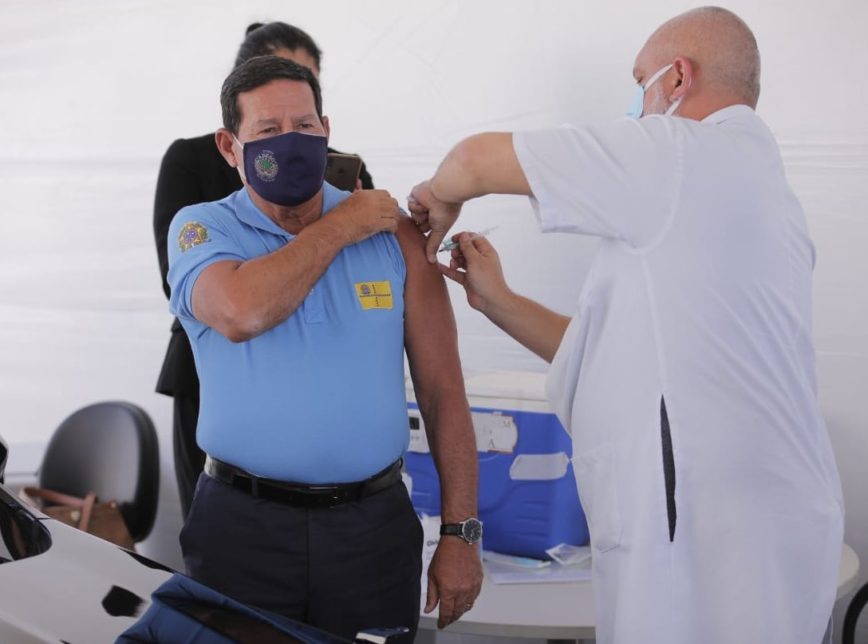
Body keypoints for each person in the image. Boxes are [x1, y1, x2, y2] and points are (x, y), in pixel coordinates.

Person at [408, 7, 843, 644]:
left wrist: (438, 197)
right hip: (767, 522)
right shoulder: (762, 193)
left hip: (704, 534)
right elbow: (610, 357)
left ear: (678, 78)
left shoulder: (678, 153)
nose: (636, 103)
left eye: (641, 82)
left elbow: (473, 160)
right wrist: (498, 301)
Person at [167, 55, 482, 641]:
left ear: (327, 129)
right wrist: (341, 225)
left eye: (305, 126)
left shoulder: (393, 233)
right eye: (268, 130)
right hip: (242, 529)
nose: (291, 142)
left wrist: (461, 532)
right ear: (230, 147)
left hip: (372, 531)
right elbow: (242, 311)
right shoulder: (202, 229)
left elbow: (443, 390)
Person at [154, 21, 373, 518]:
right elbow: (187, 276)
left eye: (304, 77)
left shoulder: (337, 167)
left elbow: (369, 253)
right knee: (213, 517)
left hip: (323, 367)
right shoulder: (191, 161)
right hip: (209, 370)